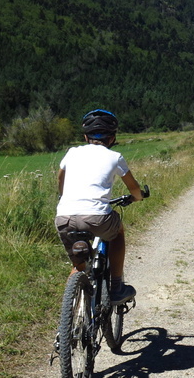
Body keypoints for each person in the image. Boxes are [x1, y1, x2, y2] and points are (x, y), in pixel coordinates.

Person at [55, 109, 145, 306]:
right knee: (118, 230)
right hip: (97, 217)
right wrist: (137, 198)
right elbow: (134, 189)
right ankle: (116, 287)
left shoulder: (72, 152)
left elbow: (60, 179)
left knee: (79, 265)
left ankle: (66, 324)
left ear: (86, 136)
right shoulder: (115, 157)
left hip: (64, 216)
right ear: (112, 138)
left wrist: (64, 197)